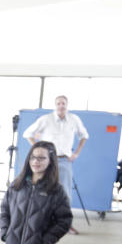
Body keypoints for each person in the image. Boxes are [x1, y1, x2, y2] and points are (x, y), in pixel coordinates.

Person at [22, 95, 87, 233]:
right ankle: (39, 222)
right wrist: (38, 150)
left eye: (63, 103)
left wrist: (77, 154)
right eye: (58, 103)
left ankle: (65, 224)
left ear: (67, 105)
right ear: (55, 105)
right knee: (42, 190)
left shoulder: (74, 120)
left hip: (64, 160)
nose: (61, 106)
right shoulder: (46, 119)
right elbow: (28, 133)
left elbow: (84, 136)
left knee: (65, 194)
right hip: (47, 161)